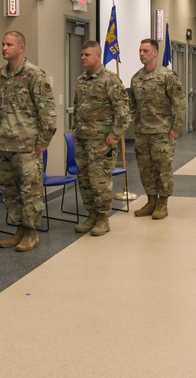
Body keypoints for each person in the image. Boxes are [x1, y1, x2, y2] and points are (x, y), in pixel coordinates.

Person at [0, 31, 57, 252]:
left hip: (28, 146)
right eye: (3, 44)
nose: (4, 48)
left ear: (21, 48)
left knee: (30, 191)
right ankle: (19, 229)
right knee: (10, 191)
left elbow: (48, 112)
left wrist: (43, 142)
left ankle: (31, 233)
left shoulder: (34, 75)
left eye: (9, 44)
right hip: (6, 145)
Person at [72, 40, 130, 237]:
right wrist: (75, 130)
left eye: (87, 55)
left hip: (101, 142)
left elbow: (123, 111)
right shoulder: (81, 81)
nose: (83, 58)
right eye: (82, 54)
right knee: (84, 180)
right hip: (82, 140)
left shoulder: (110, 80)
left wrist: (115, 135)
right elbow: (77, 108)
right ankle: (91, 215)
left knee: (100, 181)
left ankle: (103, 219)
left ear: (98, 56)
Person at [129, 39, 186, 220]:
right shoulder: (136, 78)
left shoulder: (167, 76)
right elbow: (132, 105)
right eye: (140, 51)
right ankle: (151, 200)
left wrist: (175, 127)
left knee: (162, 168)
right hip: (142, 132)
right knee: (145, 169)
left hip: (162, 131)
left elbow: (179, 102)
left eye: (145, 51)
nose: (141, 54)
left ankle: (163, 203)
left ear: (155, 53)